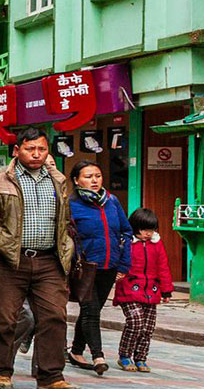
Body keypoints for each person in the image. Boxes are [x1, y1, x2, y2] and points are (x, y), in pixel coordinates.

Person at [0, 127, 78, 389]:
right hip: (9, 262)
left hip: (49, 261)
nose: (36, 154)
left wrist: (67, 250)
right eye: (30, 149)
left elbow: (64, 220)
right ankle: (2, 372)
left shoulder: (58, 179)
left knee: (54, 316)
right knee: (7, 319)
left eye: (42, 149)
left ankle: (51, 376)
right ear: (17, 150)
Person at [66, 160, 131, 375]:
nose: (94, 180)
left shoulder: (112, 202)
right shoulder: (70, 204)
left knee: (91, 311)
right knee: (91, 311)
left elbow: (126, 231)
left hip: (109, 266)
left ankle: (76, 351)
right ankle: (98, 356)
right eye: (88, 176)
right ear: (76, 180)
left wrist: (123, 263)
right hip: (84, 267)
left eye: (97, 176)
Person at [113, 209, 173, 372]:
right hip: (129, 288)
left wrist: (166, 290)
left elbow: (163, 266)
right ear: (135, 228)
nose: (148, 234)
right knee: (135, 321)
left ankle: (141, 358)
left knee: (148, 327)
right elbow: (117, 261)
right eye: (144, 230)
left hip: (151, 291)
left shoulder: (156, 243)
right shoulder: (126, 242)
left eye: (151, 230)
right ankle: (125, 355)